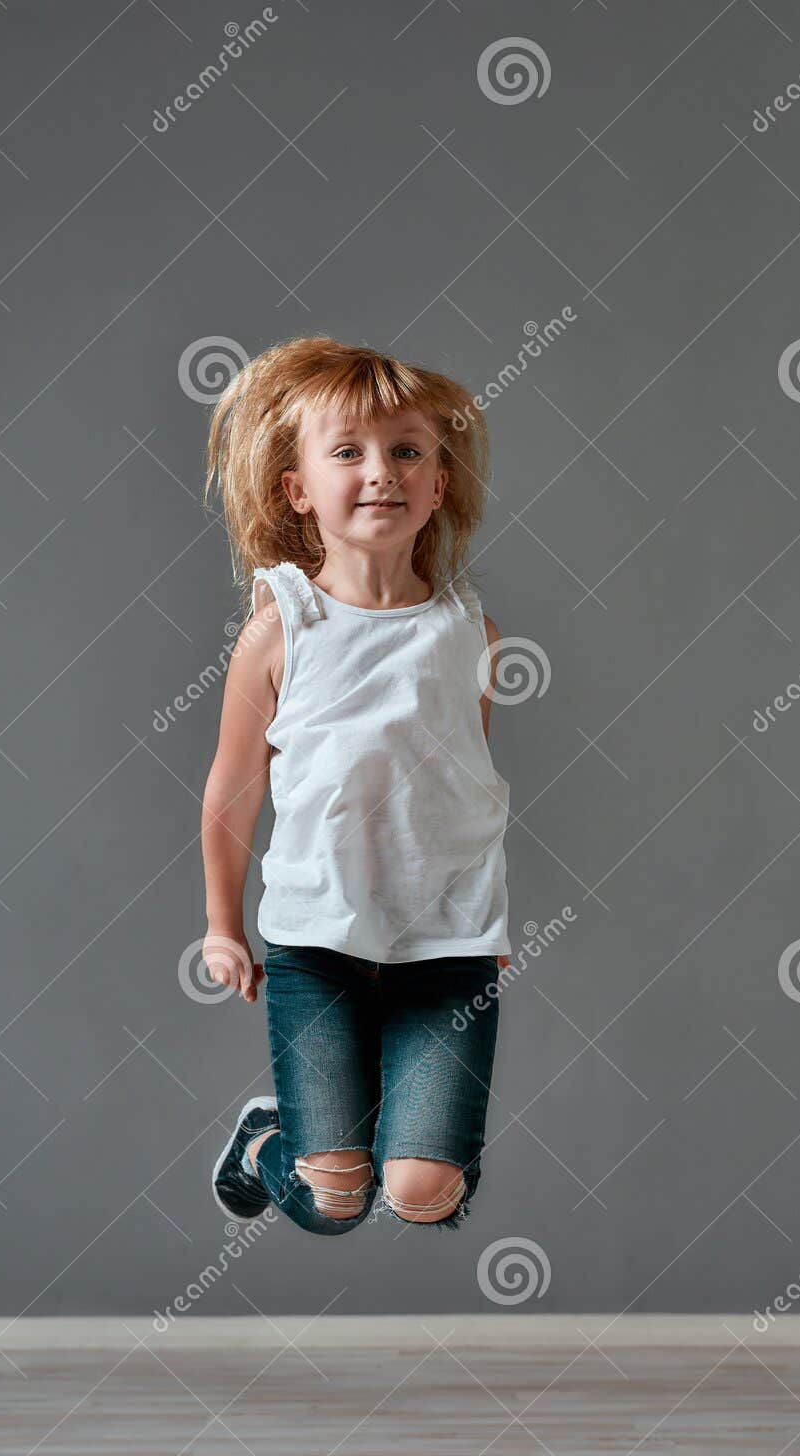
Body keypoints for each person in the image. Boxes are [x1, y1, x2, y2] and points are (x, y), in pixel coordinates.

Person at [200, 335, 511, 1236]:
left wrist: (486, 916)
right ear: (299, 489)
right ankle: (269, 1146)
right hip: (319, 944)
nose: (382, 472)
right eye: (349, 453)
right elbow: (232, 790)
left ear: (440, 484)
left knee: (420, 1195)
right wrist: (223, 927)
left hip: (445, 947)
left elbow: (470, 789)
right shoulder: (280, 629)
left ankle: (424, 1146)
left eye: (407, 451)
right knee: (334, 1201)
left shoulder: (469, 634)